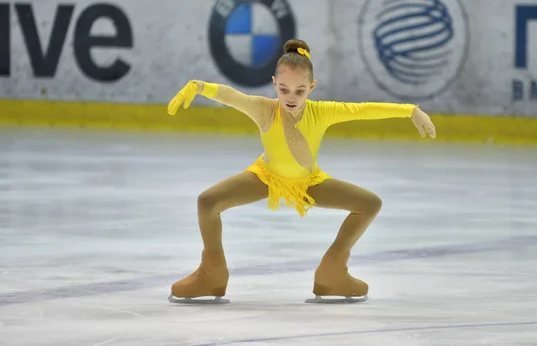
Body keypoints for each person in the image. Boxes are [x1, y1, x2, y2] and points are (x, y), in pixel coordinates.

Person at [166, 39, 436, 304]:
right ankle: (211, 273)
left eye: (299, 91)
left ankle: (332, 271)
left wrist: (410, 110)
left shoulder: (322, 112)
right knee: (208, 201)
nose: (290, 98)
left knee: (369, 204)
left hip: (308, 182)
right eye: (283, 90)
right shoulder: (265, 109)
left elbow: (362, 110)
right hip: (266, 177)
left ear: (312, 87)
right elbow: (233, 96)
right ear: (274, 84)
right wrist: (199, 87)